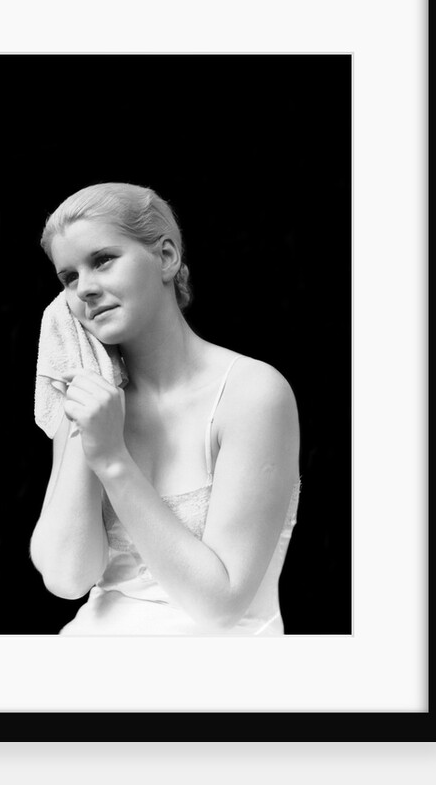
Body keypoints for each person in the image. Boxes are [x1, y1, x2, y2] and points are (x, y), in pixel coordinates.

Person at [29, 182, 300, 635]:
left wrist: (113, 459)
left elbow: (221, 605)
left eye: (102, 260)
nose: (85, 290)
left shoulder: (251, 393)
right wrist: (85, 432)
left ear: (167, 257)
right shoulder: (91, 401)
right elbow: (67, 578)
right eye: (69, 278)